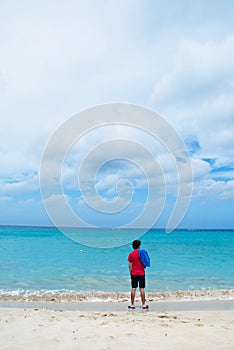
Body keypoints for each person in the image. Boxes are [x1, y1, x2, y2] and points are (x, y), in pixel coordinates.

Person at [127, 239, 149, 309]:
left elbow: (130, 265)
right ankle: (143, 304)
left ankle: (132, 304)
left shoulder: (131, 254)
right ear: (139, 246)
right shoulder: (142, 253)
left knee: (133, 288)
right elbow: (145, 261)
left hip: (134, 273)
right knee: (142, 288)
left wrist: (130, 273)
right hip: (141, 273)